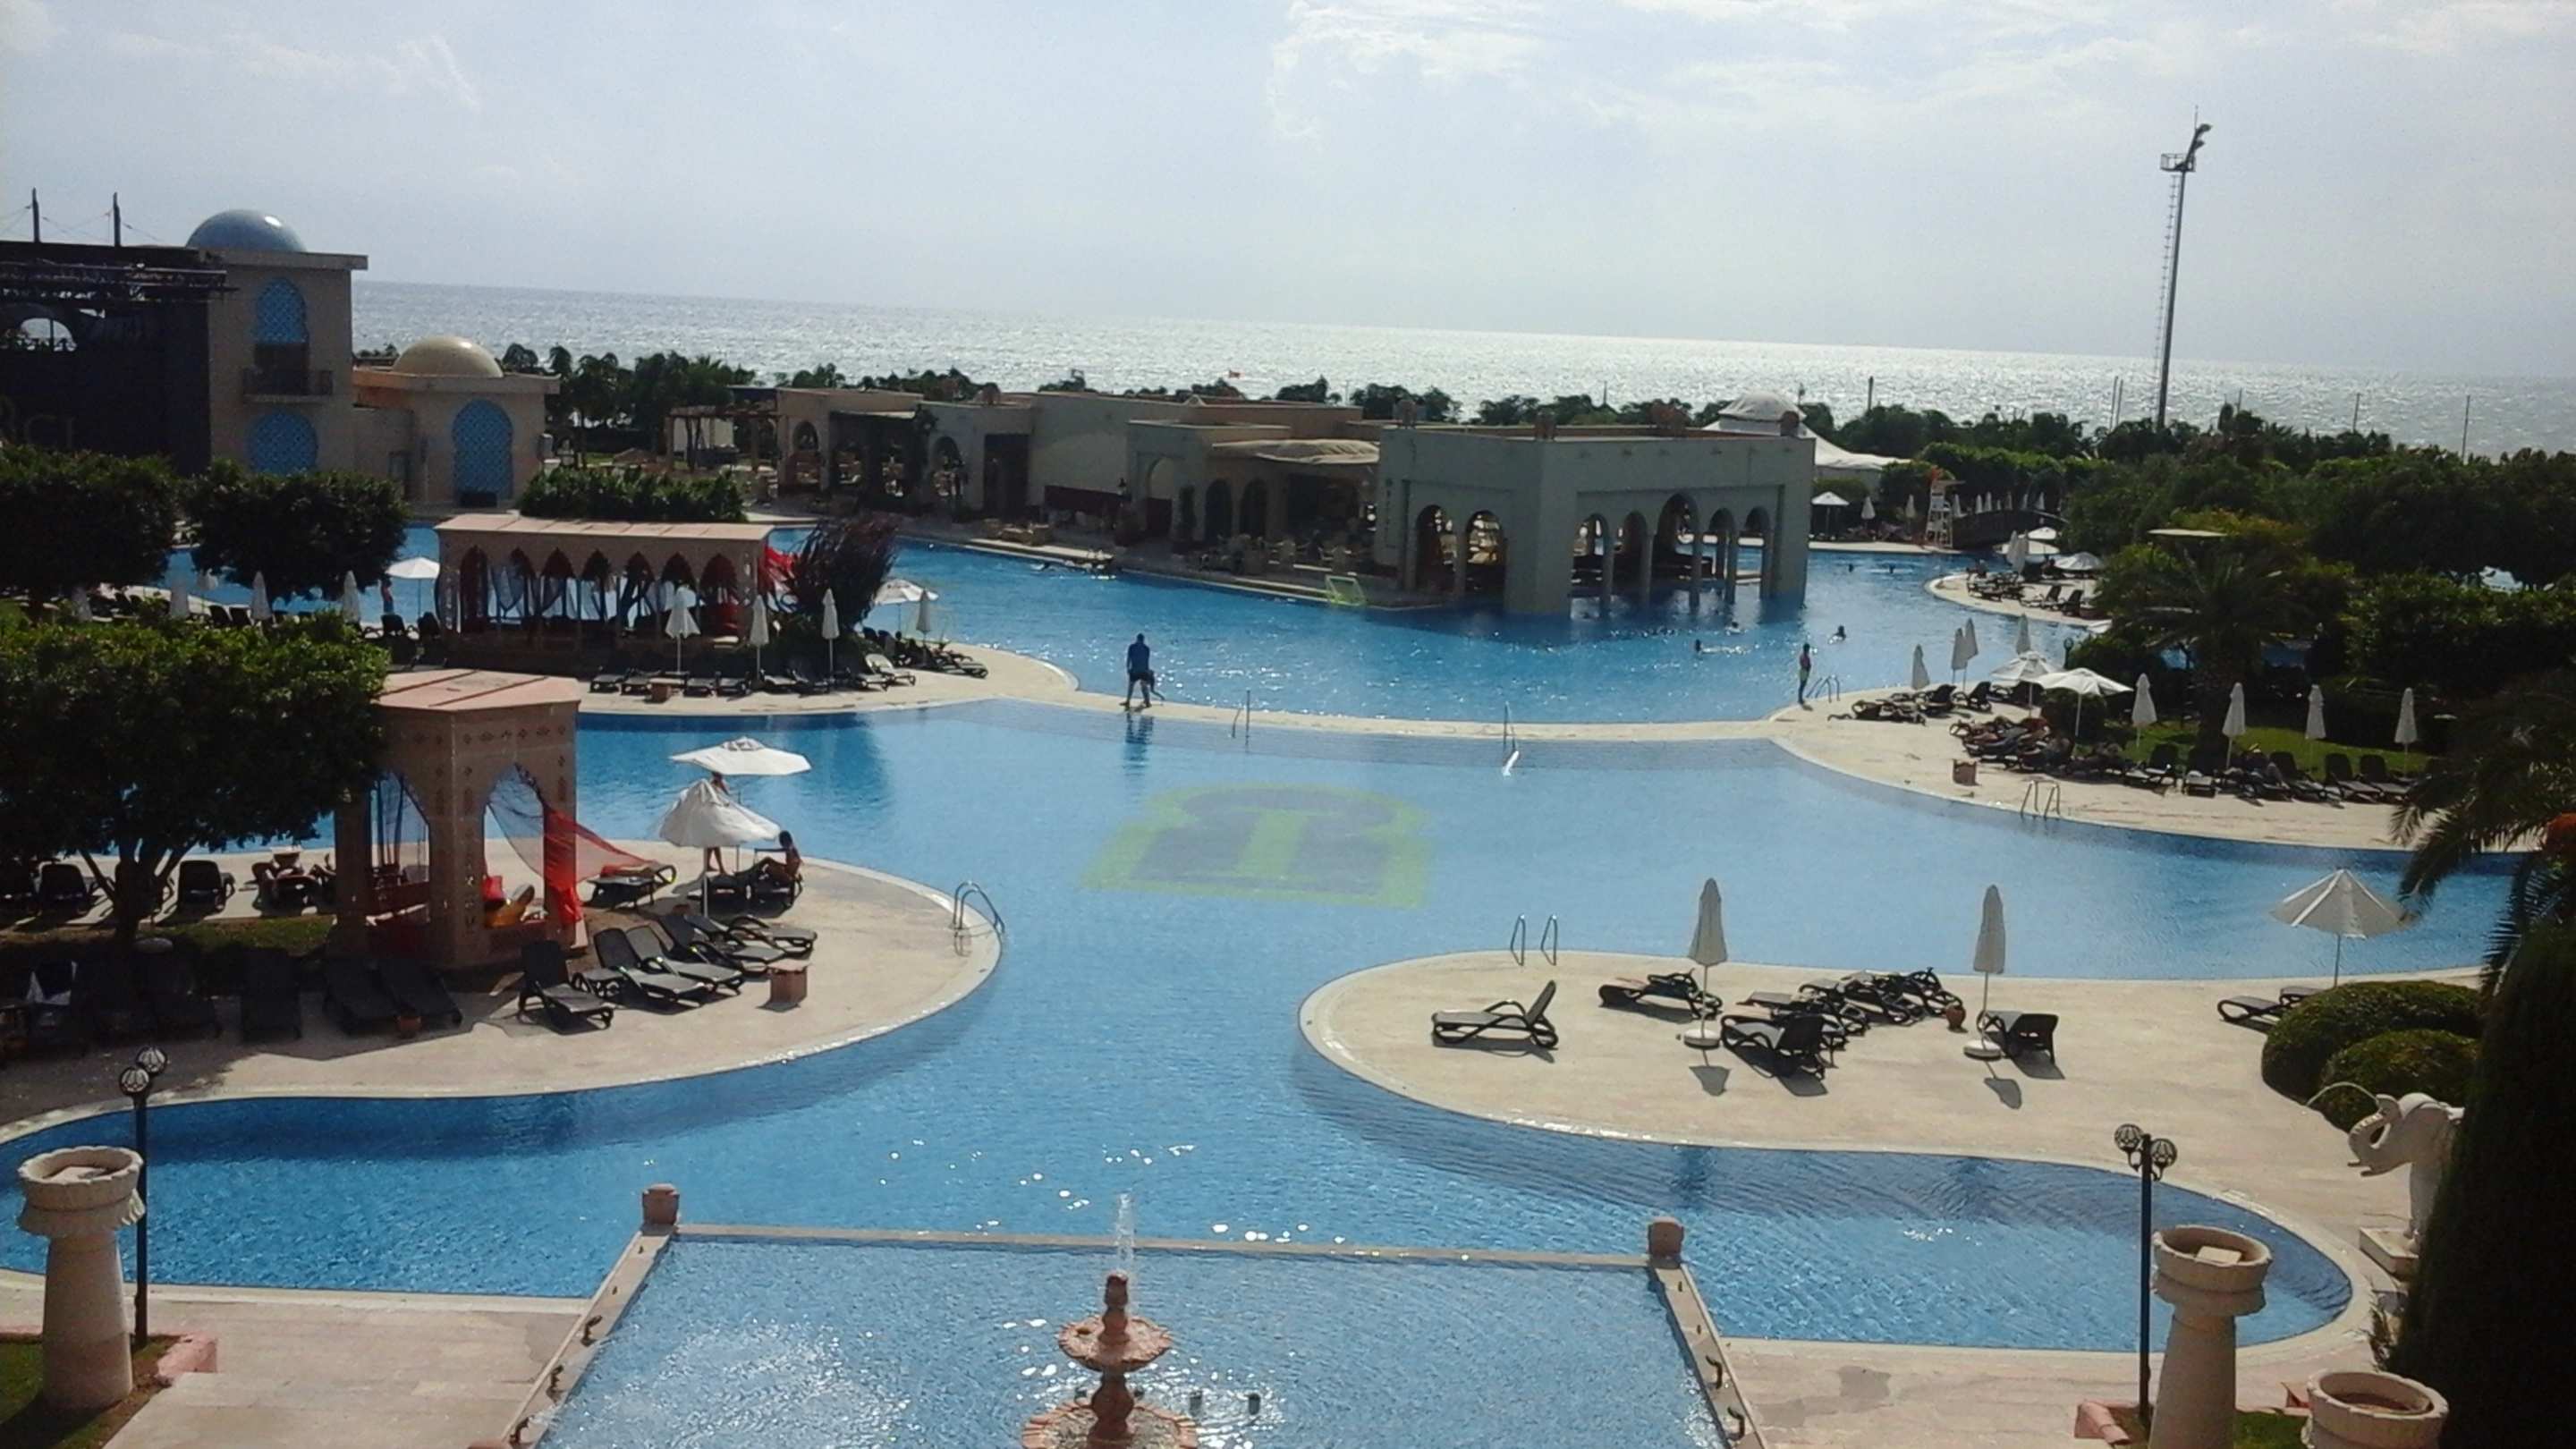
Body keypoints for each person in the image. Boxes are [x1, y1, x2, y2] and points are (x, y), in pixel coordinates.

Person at [1124, 633, 1156, 709]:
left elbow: (1129, 658)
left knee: (1131, 686)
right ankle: (1147, 702)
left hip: (1135, 670)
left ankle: (1128, 701)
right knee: (1143, 686)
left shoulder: (1132, 647)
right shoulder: (1146, 648)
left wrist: (1128, 668)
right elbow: (1146, 660)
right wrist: (1147, 670)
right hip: (1143, 670)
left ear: (1137, 639)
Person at [1796, 640, 1814, 705]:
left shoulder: (1802, 655)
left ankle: (1800, 698)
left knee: (1802, 685)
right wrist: (1808, 669)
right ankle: (1800, 699)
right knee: (1802, 685)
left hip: (1803, 671)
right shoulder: (1805, 656)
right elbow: (1805, 664)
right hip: (1804, 671)